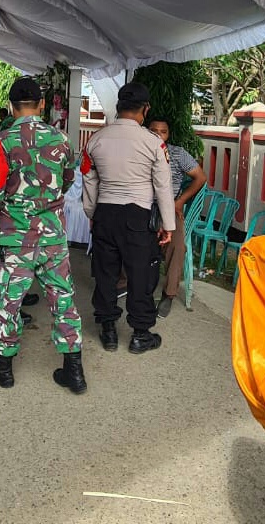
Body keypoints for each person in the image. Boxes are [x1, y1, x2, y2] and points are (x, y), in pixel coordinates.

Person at [0, 77, 85, 393]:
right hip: (53, 238)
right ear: (42, 104)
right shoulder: (62, 139)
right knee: (63, 299)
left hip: (15, 239)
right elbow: (69, 179)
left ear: (10, 105)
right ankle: (74, 371)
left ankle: (3, 368)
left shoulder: (2, 141)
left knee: (7, 300)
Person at [82, 82, 175, 353]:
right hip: (137, 215)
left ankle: (108, 330)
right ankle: (140, 334)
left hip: (105, 213)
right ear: (145, 110)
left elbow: (89, 180)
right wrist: (167, 225)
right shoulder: (153, 143)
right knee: (140, 274)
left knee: (105, 273)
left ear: (118, 107)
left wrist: (92, 214)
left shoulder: (96, 140)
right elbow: (163, 186)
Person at [146, 118, 207, 318]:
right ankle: (126, 285)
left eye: (162, 131)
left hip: (170, 207)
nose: (158, 135)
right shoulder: (140, 149)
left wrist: (180, 201)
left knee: (178, 246)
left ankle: (168, 294)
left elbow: (200, 177)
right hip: (143, 205)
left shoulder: (178, 153)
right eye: (153, 130)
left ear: (168, 134)